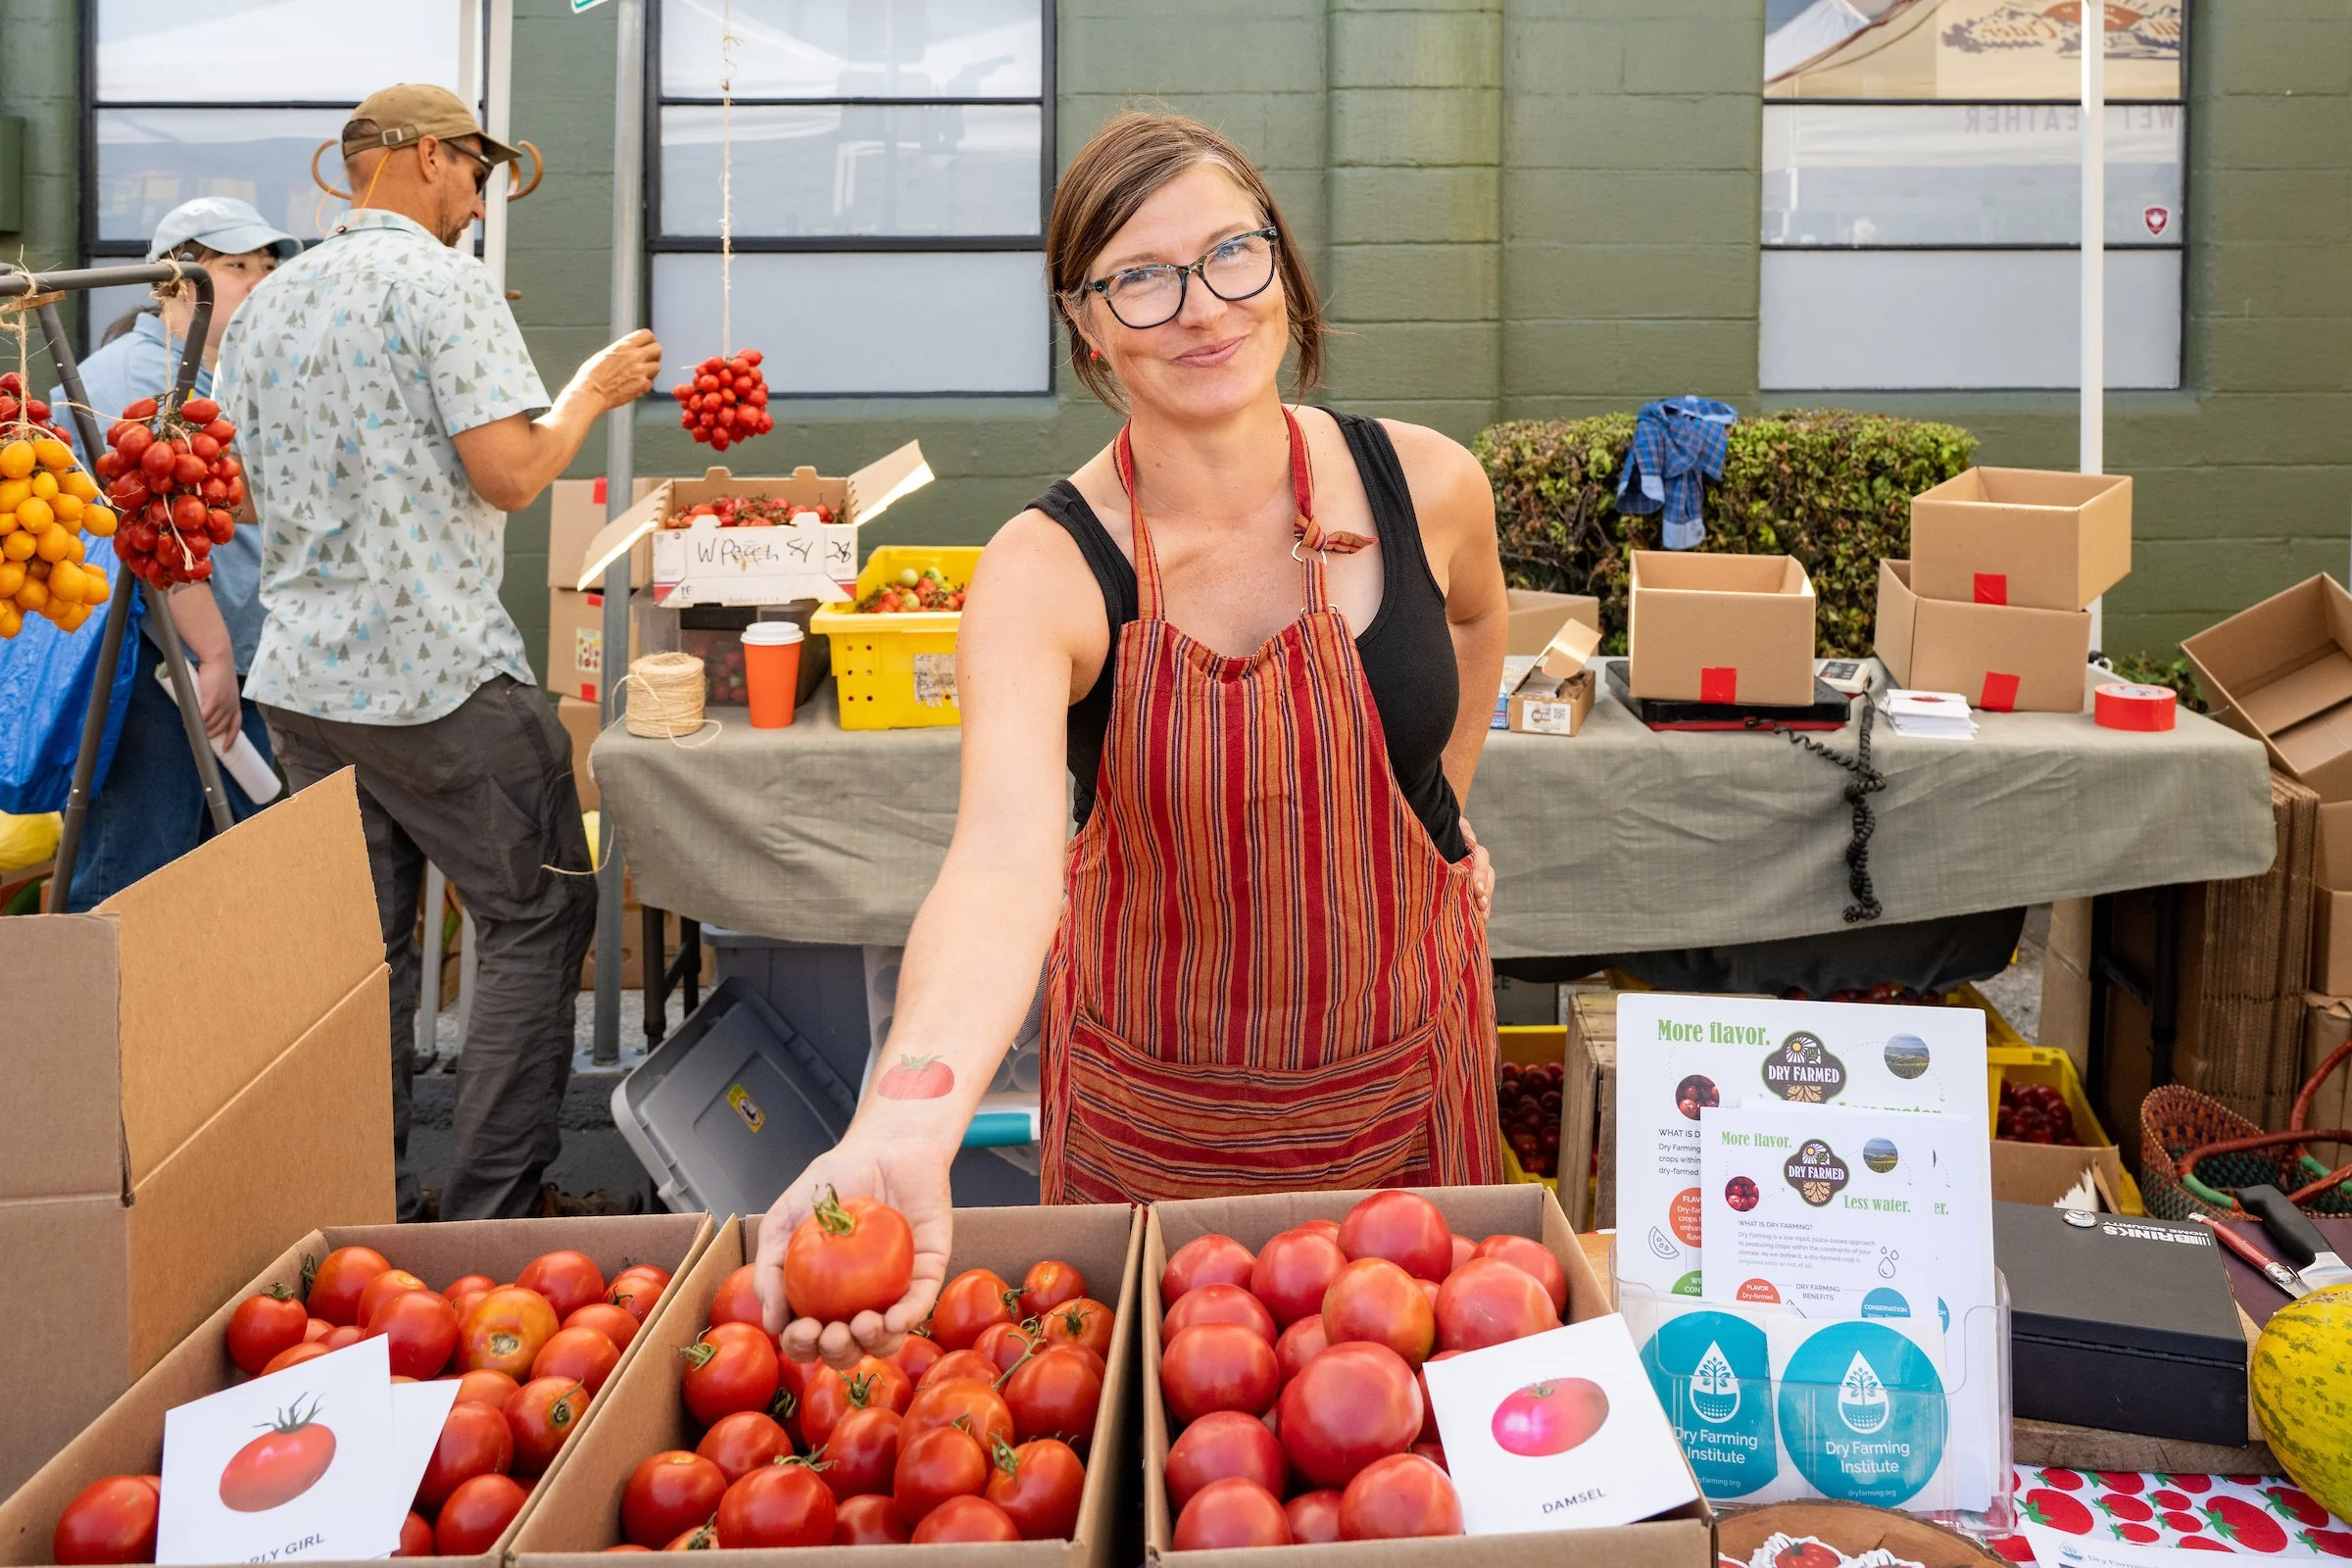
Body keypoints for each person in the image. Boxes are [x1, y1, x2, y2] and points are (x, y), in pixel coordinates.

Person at [756, 112, 1508, 1362]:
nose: (1204, 309)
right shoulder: (1044, 571)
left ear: (1281, 266)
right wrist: (903, 1120)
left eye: (1231, 254)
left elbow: (1478, 625)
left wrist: (1440, 812)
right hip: (1160, 1127)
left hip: (1408, 1093)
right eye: (1142, 280)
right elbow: (1002, 864)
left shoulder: (1426, 485)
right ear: (1088, 323)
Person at [212, 83, 665, 1221]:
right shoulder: (442, 285)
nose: (478, 197)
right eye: (474, 169)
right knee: (533, 916)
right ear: (420, 158)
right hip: (440, 676)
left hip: (306, 682)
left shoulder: (264, 305)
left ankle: (361, 1207)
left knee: (362, 957)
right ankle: (487, 1220)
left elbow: (244, 494)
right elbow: (510, 472)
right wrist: (587, 394)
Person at [54, 198, 299, 910]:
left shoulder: (223, 378)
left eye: (267, 267)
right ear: (178, 282)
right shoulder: (131, 381)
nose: (260, 282)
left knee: (223, 887)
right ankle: (95, 1026)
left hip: (227, 665)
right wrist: (212, 652)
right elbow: (153, 532)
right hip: (155, 669)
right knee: (135, 882)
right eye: (236, 266)